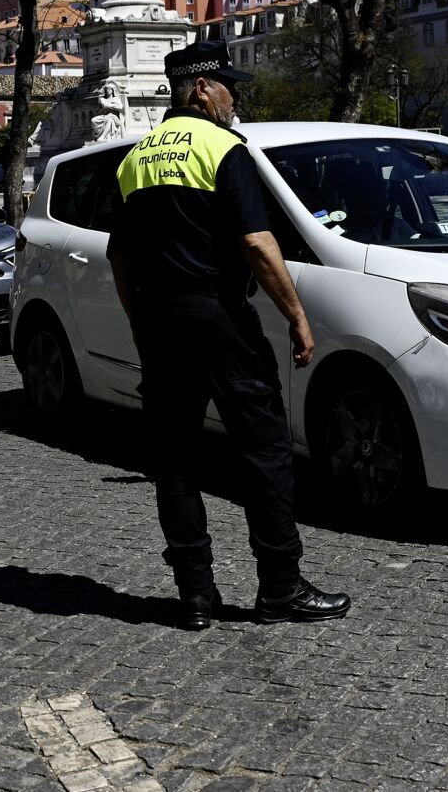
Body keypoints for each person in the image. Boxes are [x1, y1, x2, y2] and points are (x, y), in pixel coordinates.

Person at [106, 39, 350, 631]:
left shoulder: (135, 159)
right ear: (198, 88)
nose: (234, 100)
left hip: (160, 319)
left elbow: (120, 255)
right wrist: (295, 313)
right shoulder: (224, 148)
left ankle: (194, 596)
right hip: (218, 318)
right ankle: (281, 588)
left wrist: (139, 321)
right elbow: (256, 243)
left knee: (176, 457)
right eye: (228, 88)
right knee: (264, 449)